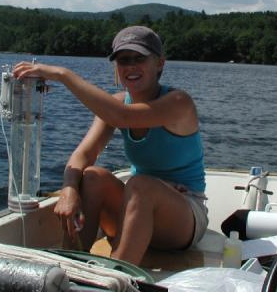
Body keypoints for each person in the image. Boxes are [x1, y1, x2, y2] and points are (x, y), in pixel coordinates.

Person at [13, 25, 208, 266]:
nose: (131, 66)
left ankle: (115, 277)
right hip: (136, 208)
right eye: (123, 60)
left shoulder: (179, 102)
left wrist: (63, 75)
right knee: (93, 176)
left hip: (184, 216)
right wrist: (69, 189)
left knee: (140, 186)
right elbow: (84, 154)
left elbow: (123, 117)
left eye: (140, 58)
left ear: (159, 63)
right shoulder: (117, 104)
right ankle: (70, 266)